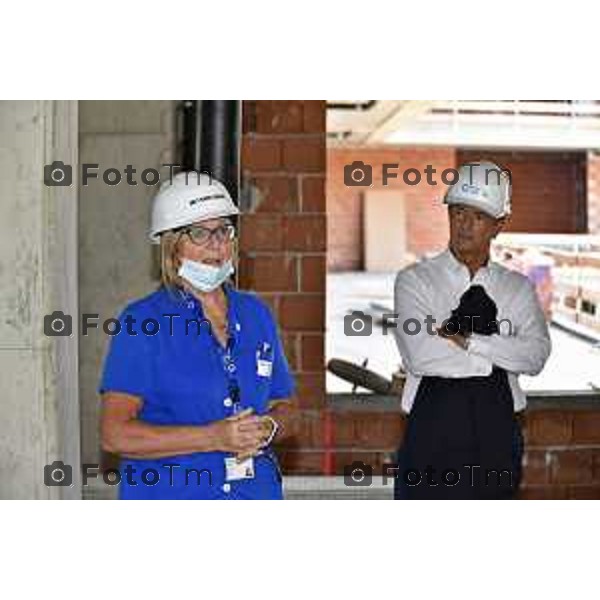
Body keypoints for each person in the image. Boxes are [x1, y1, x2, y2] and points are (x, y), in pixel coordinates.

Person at [99, 171, 295, 499]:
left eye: (223, 230)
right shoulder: (143, 321)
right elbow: (114, 435)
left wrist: (269, 427)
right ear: (172, 246)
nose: (216, 243)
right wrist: (213, 437)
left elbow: (287, 406)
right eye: (199, 233)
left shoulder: (255, 313)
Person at [393, 161, 551, 499]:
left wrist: (470, 342)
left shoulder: (517, 288)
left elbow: (535, 356)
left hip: (497, 441)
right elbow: (421, 356)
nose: (464, 225)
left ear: (499, 225)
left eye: (478, 217)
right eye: (459, 213)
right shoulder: (415, 281)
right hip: (429, 442)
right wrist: (503, 352)